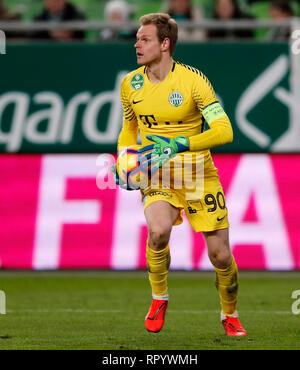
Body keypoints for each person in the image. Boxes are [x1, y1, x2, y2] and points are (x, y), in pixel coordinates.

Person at [112, 12, 247, 336]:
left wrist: (183, 143)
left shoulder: (193, 81)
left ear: (165, 44)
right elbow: (129, 129)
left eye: (144, 39)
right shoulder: (130, 84)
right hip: (159, 175)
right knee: (157, 232)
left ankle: (230, 314)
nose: (137, 44)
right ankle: (159, 298)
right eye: (137, 39)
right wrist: (123, 157)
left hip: (199, 174)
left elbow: (225, 130)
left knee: (221, 256)